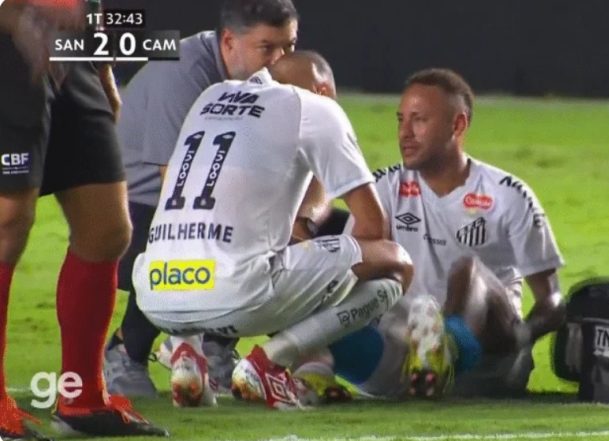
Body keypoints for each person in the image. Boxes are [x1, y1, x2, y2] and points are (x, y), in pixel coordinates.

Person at [131, 58, 413, 409]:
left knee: (215, 244)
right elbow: (372, 228)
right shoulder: (317, 108)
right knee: (395, 263)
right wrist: (327, 291)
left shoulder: (212, 96)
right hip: (238, 295)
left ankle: (186, 354)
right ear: (325, 91)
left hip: (154, 295)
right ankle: (271, 361)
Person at [303, 68, 565, 399]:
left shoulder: (507, 193)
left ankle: (446, 346)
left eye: (419, 120)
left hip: (484, 365)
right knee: (294, 281)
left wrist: (521, 337)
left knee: (469, 271)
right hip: (401, 364)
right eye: (401, 120)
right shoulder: (382, 189)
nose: (405, 133)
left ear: (457, 126)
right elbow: (347, 275)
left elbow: (552, 302)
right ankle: (311, 374)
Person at [104, 0, 300, 398]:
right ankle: (126, 353)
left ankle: (214, 346)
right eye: (268, 48)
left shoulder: (256, 80)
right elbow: (177, 190)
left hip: (180, 202)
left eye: (290, 46)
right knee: (211, 243)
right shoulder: (181, 73)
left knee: (277, 236)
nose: (280, 60)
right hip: (126, 218)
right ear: (229, 41)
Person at [0, 0, 166, 438]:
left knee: (107, 229)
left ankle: (84, 400)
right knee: (8, 220)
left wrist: (104, 68)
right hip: (9, 42)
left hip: (73, 56)